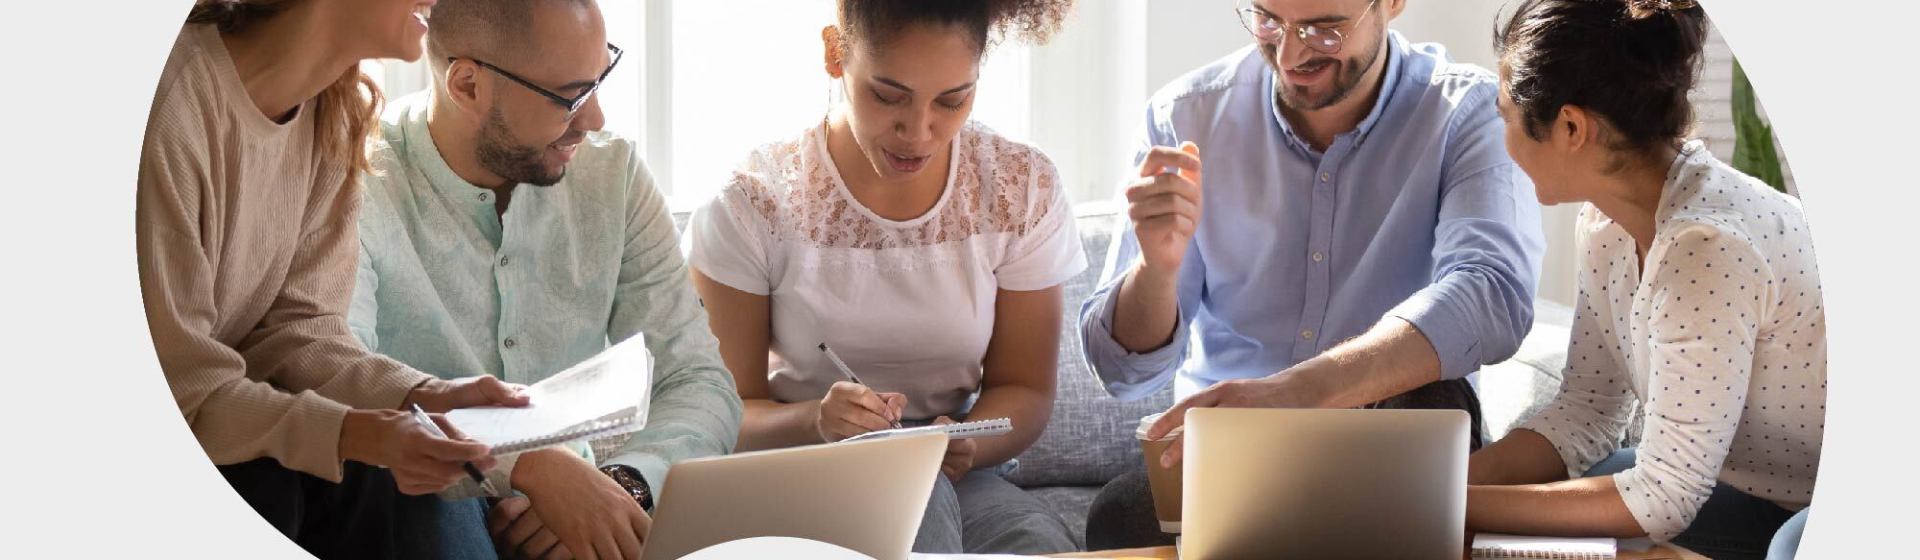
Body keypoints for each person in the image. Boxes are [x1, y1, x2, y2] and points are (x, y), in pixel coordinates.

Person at [1079, 0, 1546, 549]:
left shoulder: (1466, 111)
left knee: (1427, 399)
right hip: (1233, 452)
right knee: (1118, 516)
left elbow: (1492, 295)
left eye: (1324, 28)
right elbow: (1122, 372)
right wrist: (1156, 270)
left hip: (1393, 432)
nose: (1292, 52)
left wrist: (1296, 392)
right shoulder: (1184, 116)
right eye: (1269, 19)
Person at [346, 0, 746, 558]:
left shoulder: (615, 177)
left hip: (596, 509)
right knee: (430, 498)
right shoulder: (356, 178)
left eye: (599, 80)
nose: (595, 119)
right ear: (466, 85)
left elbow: (698, 381)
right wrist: (527, 465)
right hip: (424, 516)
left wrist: (620, 487)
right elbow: (341, 376)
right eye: (569, 97)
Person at [685, 0, 1083, 553]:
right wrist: (818, 422)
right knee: (918, 506)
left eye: (953, 100)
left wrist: (966, 444)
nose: (919, 132)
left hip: (958, 474)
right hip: (801, 471)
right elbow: (719, 415)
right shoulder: (756, 201)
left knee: (1036, 540)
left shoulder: (1019, 186)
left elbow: (1025, 388)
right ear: (834, 53)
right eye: (888, 95)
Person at [137, 1, 530, 558]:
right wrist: (361, 434)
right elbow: (180, 393)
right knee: (287, 481)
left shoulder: (338, 106)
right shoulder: (170, 104)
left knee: (414, 474)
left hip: (223, 435)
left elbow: (299, 330)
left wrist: (425, 396)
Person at [1466, 2, 1822, 559]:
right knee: (1590, 483)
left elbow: (1663, 498)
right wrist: (1442, 484)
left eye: (1505, 112)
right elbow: (1587, 411)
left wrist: (1449, 504)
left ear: (1570, 127)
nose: (1501, 132)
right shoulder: (1606, 225)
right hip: (1755, 491)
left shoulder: (1708, 248)